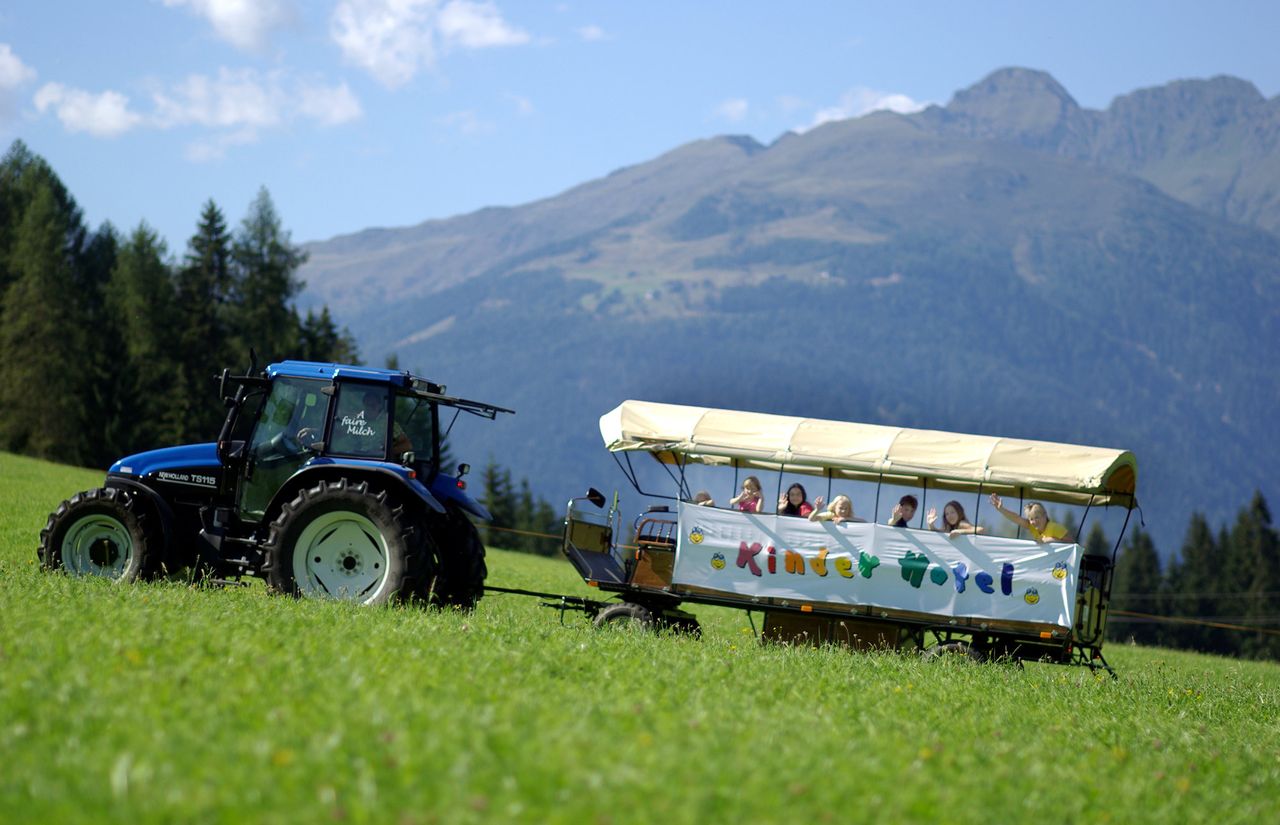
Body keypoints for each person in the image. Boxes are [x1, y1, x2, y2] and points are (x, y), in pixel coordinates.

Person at [989, 494, 1074, 543]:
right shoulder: (1032, 527)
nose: (1034, 522)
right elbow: (1016, 518)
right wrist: (1001, 509)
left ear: (1045, 515)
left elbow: (1071, 543)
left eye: (1037, 517)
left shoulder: (1055, 528)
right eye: (1031, 519)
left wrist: (1049, 540)